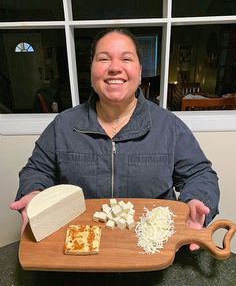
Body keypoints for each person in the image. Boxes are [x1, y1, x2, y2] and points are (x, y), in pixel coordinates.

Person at [10, 28, 220, 251]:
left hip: (153, 249)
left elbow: (200, 174)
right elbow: (37, 171)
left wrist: (198, 200)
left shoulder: (168, 126)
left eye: (126, 58)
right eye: (103, 59)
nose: (115, 68)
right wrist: (33, 193)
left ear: (139, 71)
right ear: (91, 71)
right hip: (79, 249)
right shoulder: (62, 125)